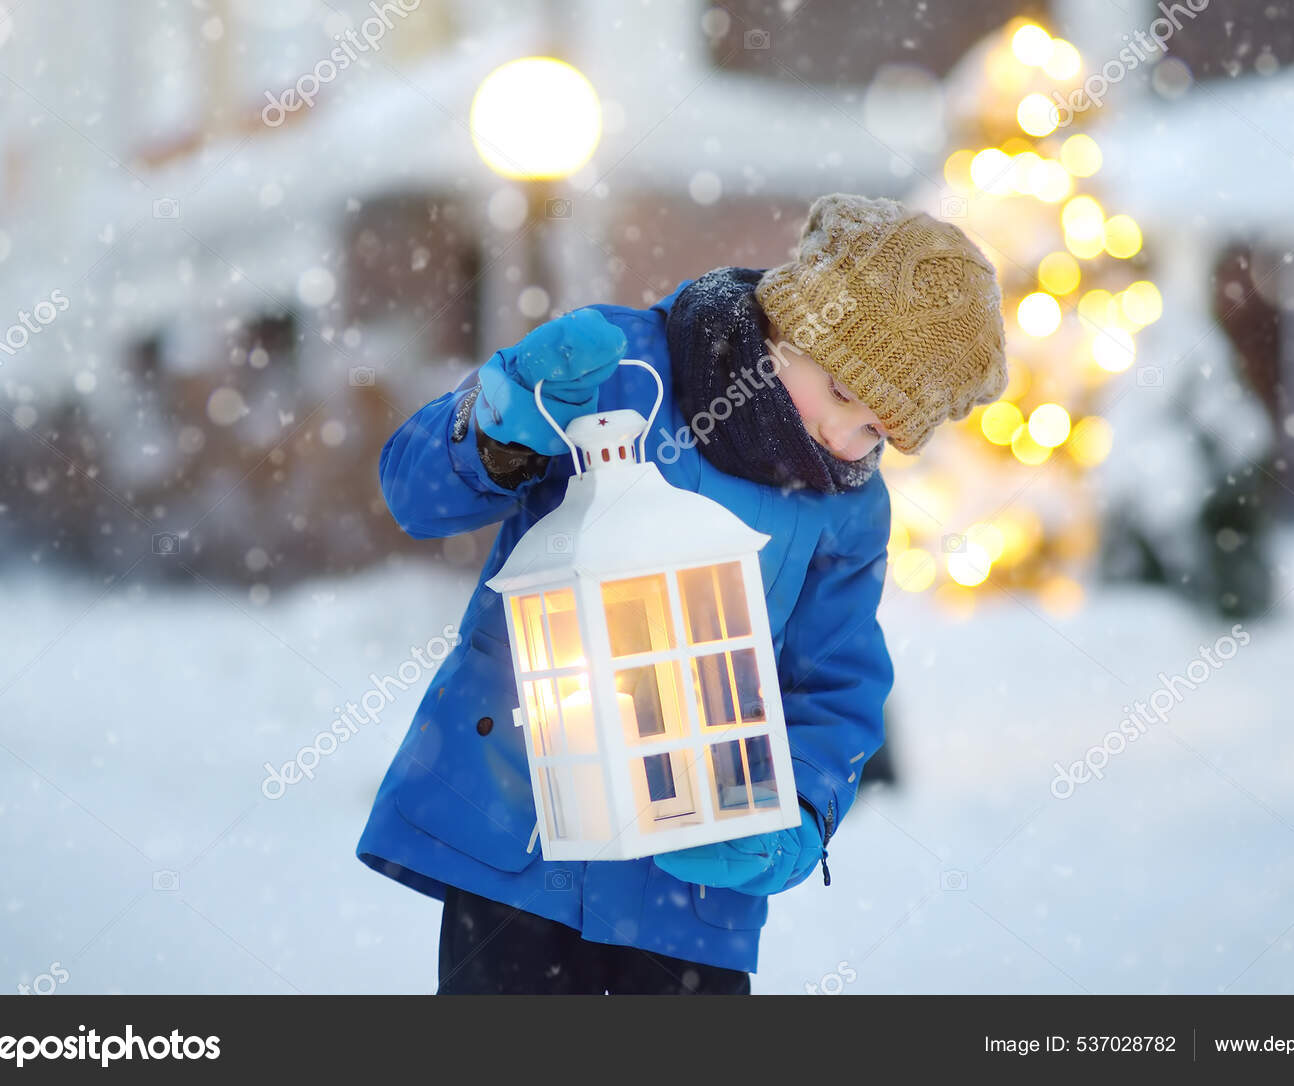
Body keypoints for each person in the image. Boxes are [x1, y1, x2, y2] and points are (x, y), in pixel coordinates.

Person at [357, 192, 1009, 994]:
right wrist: (498, 425)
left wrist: (798, 815)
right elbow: (416, 496)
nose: (847, 439)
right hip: (519, 839)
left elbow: (836, 680)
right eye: (842, 392)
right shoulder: (615, 372)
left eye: (878, 430)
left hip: (693, 893)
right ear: (788, 321)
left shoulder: (848, 507)